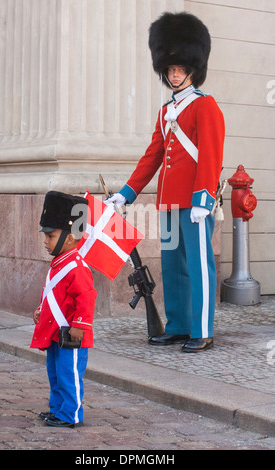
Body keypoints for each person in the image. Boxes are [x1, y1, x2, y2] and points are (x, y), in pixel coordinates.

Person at [106, 12, 225, 352]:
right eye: (170, 69)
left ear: (192, 69)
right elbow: (152, 157)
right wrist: (126, 194)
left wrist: (204, 200)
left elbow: (211, 156)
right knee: (173, 267)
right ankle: (179, 325)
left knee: (200, 266)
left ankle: (202, 330)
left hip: (194, 203)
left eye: (179, 69)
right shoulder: (165, 113)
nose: (174, 74)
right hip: (169, 202)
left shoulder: (205, 107)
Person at [30, 191, 97, 427]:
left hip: (71, 335)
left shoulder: (77, 267)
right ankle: (57, 410)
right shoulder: (59, 264)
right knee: (56, 375)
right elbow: (54, 294)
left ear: (69, 238)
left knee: (70, 377)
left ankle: (71, 414)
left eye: (50, 236)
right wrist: (41, 309)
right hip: (56, 333)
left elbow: (86, 297)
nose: (46, 242)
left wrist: (80, 324)